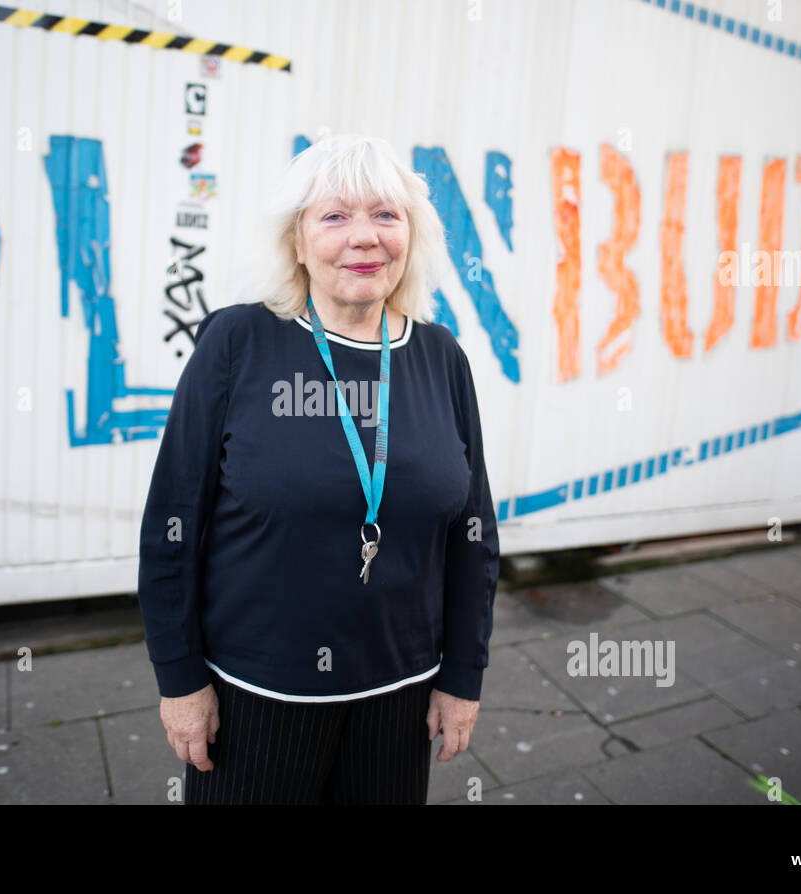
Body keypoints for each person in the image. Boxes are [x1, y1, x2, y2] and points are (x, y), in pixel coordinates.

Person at [137, 133, 499, 805]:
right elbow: (171, 525)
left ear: (411, 236)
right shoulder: (238, 342)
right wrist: (181, 680)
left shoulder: (441, 356)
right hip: (258, 697)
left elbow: (474, 538)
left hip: (401, 693)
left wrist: (463, 674)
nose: (364, 237)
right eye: (334, 216)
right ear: (297, 242)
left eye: (386, 215)